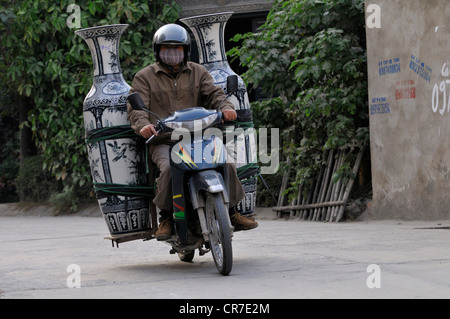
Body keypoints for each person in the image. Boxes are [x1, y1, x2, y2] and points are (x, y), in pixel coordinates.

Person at [127, 24, 258, 240]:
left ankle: (232, 212)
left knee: (227, 162)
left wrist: (226, 108)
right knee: (169, 168)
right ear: (157, 51)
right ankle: (167, 217)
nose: (171, 53)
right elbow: (136, 108)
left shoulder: (199, 71)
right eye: (166, 49)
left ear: (186, 51)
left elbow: (215, 94)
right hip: (165, 140)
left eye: (177, 49)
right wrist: (143, 125)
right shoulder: (144, 77)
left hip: (200, 137)